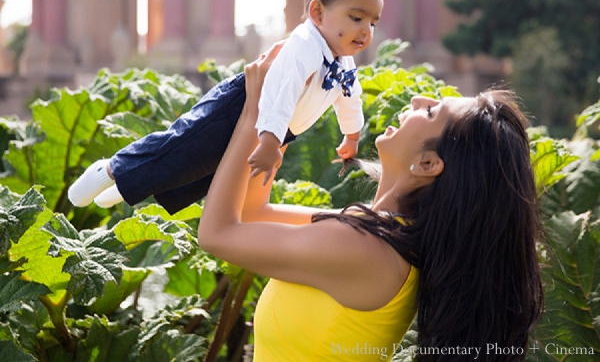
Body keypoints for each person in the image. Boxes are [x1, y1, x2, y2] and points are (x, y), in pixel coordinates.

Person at [198, 43, 543, 361]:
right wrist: (284, 117)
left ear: (428, 164)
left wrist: (253, 116)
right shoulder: (377, 234)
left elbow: (217, 234)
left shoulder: (362, 247)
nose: (418, 100)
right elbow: (253, 214)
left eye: (431, 112)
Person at [67, 0, 383, 214]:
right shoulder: (303, 46)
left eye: (372, 21)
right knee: (186, 148)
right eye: (356, 18)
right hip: (242, 106)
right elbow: (280, 92)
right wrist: (271, 142)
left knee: (205, 174)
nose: (366, 30)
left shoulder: (343, 59)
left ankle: (127, 185)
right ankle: (111, 169)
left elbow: (350, 95)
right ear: (317, 12)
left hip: (276, 128)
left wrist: (352, 134)